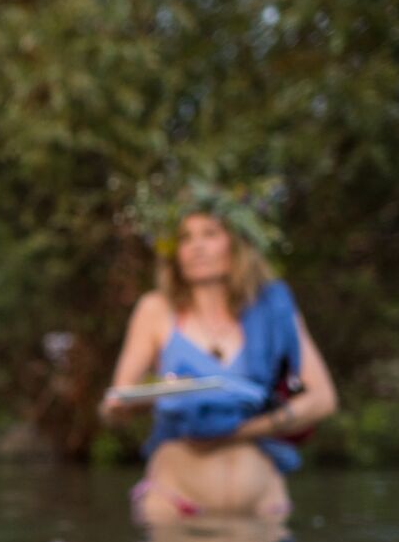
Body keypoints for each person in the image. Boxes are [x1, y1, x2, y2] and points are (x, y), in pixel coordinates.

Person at [101, 190, 337, 524]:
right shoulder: (155, 310)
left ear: (236, 244)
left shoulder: (274, 309)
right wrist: (140, 400)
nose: (196, 247)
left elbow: (323, 399)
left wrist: (239, 431)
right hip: (176, 497)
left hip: (260, 501)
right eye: (185, 238)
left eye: (210, 234)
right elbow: (116, 404)